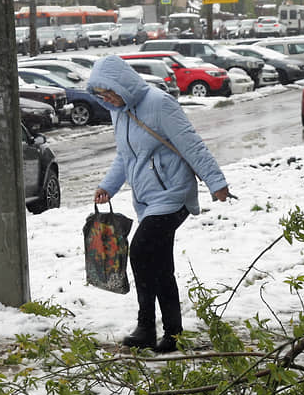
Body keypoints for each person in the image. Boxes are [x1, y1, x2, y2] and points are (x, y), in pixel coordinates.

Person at [88, 55, 231, 353]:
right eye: (102, 95)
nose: (108, 99)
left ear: (123, 84)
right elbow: (126, 155)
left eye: (111, 92)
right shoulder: (119, 112)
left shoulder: (159, 104)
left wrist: (216, 182)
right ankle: (171, 333)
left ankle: (145, 326)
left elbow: (190, 143)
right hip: (147, 199)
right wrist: (108, 185)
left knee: (140, 251)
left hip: (174, 194)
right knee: (161, 265)